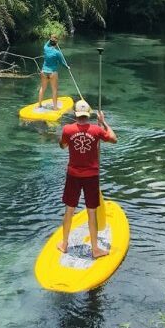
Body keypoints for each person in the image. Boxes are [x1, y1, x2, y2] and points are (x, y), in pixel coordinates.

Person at [58, 100, 117, 257]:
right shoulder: (96, 130)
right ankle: (95, 249)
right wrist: (103, 122)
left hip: (73, 176)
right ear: (88, 114)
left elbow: (62, 145)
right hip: (91, 176)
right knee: (91, 212)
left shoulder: (67, 129)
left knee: (69, 210)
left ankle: (64, 244)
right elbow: (114, 138)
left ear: (76, 114)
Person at [39, 34, 68, 109]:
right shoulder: (57, 53)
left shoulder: (45, 48)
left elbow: (47, 43)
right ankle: (55, 108)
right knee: (54, 90)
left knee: (42, 88)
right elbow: (62, 63)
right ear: (56, 43)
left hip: (44, 72)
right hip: (52, 73)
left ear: (50, 41)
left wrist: (52, 38)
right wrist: (67, 67)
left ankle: (39, 105)